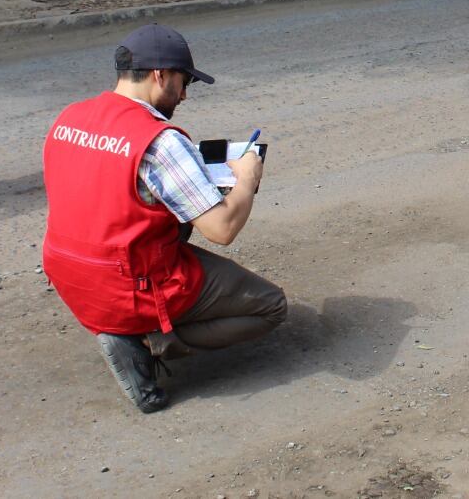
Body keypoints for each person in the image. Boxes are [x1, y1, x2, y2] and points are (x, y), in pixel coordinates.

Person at [42, 24, 287, 413]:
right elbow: (222, 230)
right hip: (130, 283)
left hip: (70, 274)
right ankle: (144, 341)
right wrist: (246, 177)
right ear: (160, 75)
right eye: (184, 81)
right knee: (271, 305)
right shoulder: (161, 140)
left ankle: (129, 328)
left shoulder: (70, 117)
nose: (185, 94)